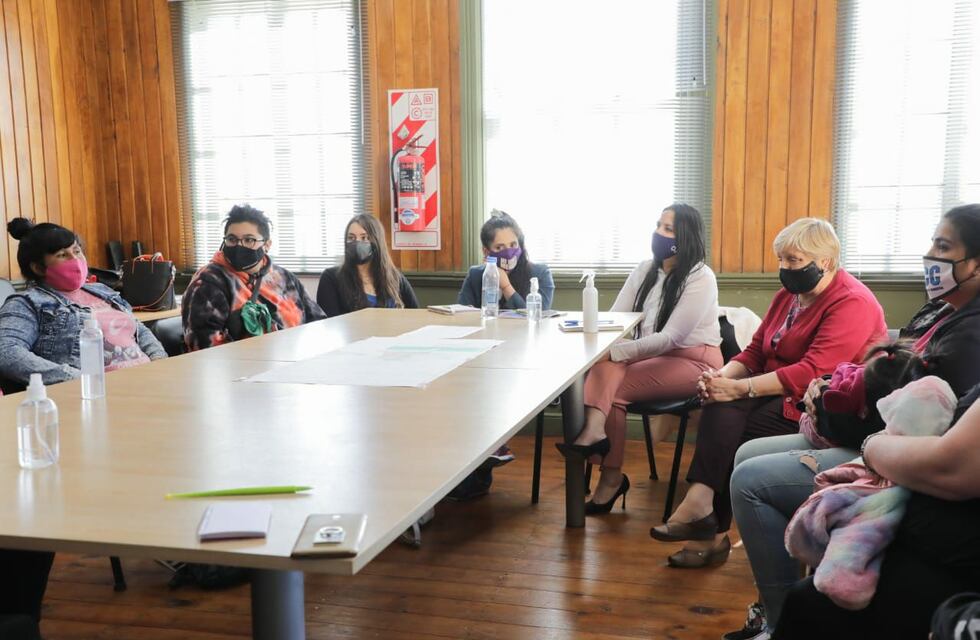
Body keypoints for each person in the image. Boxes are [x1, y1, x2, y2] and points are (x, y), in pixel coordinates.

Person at [727, 203, 980, 639]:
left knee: (750, 480)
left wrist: (824, 403)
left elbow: (910, 417)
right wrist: (828, 387)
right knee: (743, 446)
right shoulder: (941, 312)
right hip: (869, 433)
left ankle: (778, 615)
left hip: (896, 460)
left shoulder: (969, 335)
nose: (930, 257)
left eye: (943, 246)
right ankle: (774, 602)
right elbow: (880, 374)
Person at [648, 217, 887, 569]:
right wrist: (720, 377)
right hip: (775, 392)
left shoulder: (852, 302)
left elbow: (812, 372)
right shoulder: (789, 296)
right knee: (720, 404)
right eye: (781, 259)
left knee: (732, 426)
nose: (784, 268)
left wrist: (739, 387)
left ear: (826, 261)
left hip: (822, 405)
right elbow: (755, 353)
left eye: (793, 260)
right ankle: (702, 516)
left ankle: (707, 526)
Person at [772, 383, 980, 640]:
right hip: (915, 516)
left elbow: (951, 467)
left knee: (753, 482)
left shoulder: (962, 344)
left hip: (948, 565)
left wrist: (871, 445)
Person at [555, 204, 722, 514]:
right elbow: (618, 320)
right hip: (652, 357)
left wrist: (615, 352)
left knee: (611, 381)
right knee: (605, 370)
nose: (659, 232)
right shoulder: (645, 269)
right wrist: (603, 345)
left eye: (669, 228)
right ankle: (601, 450)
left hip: (695, 362)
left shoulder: (701, 277)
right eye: (658, 224)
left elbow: (670, 338)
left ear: (687, 236)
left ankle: (604, 463)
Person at [0, 218, 166, 387]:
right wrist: (79, 379)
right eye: (62, 255)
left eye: (77, 251)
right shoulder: (25, 304)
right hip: (96, 393)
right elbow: (6, 351)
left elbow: (138, 330)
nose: (75, 260)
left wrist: (159, 361)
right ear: (38, 268)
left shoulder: (102, 290)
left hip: (146, 381)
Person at [182, 204, 325, 350]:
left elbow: (318, 323)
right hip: (243, 369)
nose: (239, 246)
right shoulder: (208, 282)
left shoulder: (284, 278)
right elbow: (205, 348)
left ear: (267, 245)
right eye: (232, 239)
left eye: (249, 240)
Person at [316, 214, 419, 316]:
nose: (357, 243)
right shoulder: (331, 278)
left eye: (364, 237)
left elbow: (416, 316)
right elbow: (330, 323)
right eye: (351, 238)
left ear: (377, 242)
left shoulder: (395, 278)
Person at [457, 210, 554, 311]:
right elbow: (462, 315)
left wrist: (506, 287)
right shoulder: (475, 275)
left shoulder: (541, 274)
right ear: (486, 252)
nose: (508, 253)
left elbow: (538, 318)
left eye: (513, 245)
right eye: (499, 247)